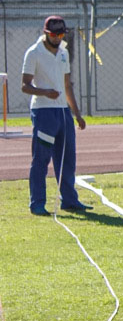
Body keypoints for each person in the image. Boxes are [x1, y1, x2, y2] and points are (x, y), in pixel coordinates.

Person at [21, 15, 91, 216]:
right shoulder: (33, 53)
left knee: (67, 159)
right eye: (55, 34)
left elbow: (67, 85)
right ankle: (37, 203)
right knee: (41, 159)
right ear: (46, 33)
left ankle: (69, 201)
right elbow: (25, 86)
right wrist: (45, 92)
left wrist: (77, 114)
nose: (58, 37)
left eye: (61, 34)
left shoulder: (63, 52)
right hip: (44, 112)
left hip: (63, 113)